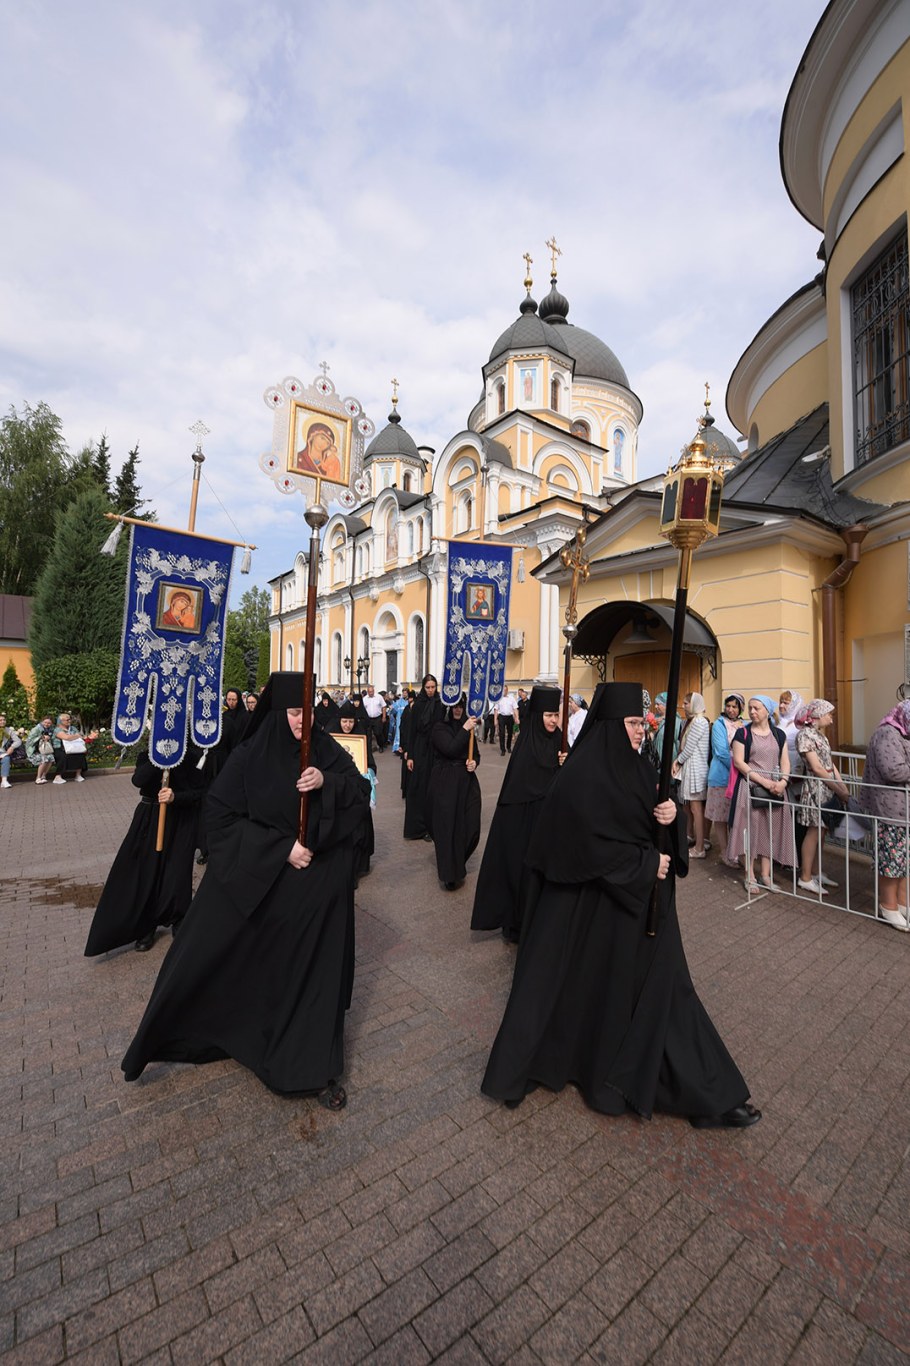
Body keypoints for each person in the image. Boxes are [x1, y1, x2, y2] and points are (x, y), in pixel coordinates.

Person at [481, 682, 760, 1128]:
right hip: (594, 911)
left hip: (639, 911)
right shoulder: (579, 776)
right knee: (580, 994)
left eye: (642, 723)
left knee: (668, 994)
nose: (640, 731)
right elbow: (583, 845)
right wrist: (644, 863)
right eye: (632, 723)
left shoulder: (638, 766)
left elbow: (649, 824)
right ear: (612, 724)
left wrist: (669, 818)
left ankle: (711, 1094)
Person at [121, 672, 371, 1105]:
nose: (304, 720)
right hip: (273, 888)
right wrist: (281, 849)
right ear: (277, 713)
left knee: (315, 981)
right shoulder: (251, 755)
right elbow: (219, 817)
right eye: (294, 712)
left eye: (309, 711)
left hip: (322, 894)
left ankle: (311, 1070)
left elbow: (360, 790)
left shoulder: (326, 749)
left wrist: (327, 782)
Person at [84, 745, 206, 955]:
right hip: (149, 818)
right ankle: (145, 925)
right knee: (146, 871)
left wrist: (176, 797)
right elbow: (138, 780)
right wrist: (160, 760)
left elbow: (201, 792)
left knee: (177, 871)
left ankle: (179, 917)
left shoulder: (193, 756)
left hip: (181, 820)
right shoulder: (147, 755)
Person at [471, 686, 561, 941]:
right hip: (524, 824)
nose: (553, 720)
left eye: (556, 715)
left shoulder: (559, 740)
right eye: (548, 715)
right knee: (522, 876)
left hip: (549, 823)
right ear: (537, 716)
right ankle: (518, 924)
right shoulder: (526, 745)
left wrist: (566, 765)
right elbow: (522, 786)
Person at [727, 695, 795, 892]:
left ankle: (766, 875)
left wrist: (783, 782)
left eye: (756, 708)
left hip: (774, 788)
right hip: (751, 788)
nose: (752, 711)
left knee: (770, 831)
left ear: (767, 711)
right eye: (750, 708)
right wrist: (764, 782)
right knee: (749, 831)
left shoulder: (779, 734)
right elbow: (739, 762)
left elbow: (785, 761)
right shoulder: (743, 733)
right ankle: (750, 875)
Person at [861, 699, 910, 931]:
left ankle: (902, 903)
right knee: (892, 860)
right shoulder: (887, 733)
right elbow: (893, 770)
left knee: (904, 860)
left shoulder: (902, 733)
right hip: (890, 809)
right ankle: (888, 906)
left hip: (902, 810)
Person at [794, 699, 847, 897]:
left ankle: (816, 872)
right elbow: (816, 768)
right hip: (816, 788)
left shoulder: (820, 736)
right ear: (818, 715)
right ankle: (805, 877)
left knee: (821, 832)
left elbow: (829, 763)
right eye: (829, 715)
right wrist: (838, 788)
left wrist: (841, 786)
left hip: (827, 787)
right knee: (814, 831)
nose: (831, 720)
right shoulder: (805, 735)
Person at [428, 695, 481, 890]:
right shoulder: (439, 728)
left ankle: (458, 861)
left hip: (467, 782)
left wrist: (474, 762)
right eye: (455, 706)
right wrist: (465, 729)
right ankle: (450, 873)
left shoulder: (468, 726)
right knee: (449, 828)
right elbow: (450, 749)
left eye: (461, 706)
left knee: (471, 826)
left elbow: (475, 753)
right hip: (446, 782)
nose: (458, 710)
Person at [330, 701, 375, 881]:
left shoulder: (360, 737)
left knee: (359, 831)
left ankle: (356, 868)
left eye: (350, 721)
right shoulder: (330, 738)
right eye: (344, 721)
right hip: (339, 793)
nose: (347, 725)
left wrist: (369, 772)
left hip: (357, 792)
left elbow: (370, 763)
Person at [402, 674, 444, 840]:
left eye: (433, 687)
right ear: (423, 687)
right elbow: (412, 731)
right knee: (418, 787)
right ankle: (418, 827)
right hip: (420, 749)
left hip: (436, 748)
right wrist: (410, 755)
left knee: (434, 787)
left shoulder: (441, 704)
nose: (431, 690)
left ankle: (432, 826)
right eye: (428, 687)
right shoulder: (418, 705)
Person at [705, 693, 745, 863]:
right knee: (721, 817)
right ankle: (724, 852)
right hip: (722, 776)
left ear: (740, 708)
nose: (730, 709)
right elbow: (721, 751)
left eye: (734, 706)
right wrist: (739, 768)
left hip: (740, 778)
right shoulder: (719, 724)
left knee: (737, 817)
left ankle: (735, 851)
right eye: (728, 706)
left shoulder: (745, 725)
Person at [672, 692, 711, 857]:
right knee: (691, 807)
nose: (683, 706)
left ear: (694, 704)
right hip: (692, 768)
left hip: (696, 770)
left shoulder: (699, 722)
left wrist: (677, 761)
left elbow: (689, 748)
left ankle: (699, 848)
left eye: (686, 703)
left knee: (696, 808)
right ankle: (695, 840)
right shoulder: (693, 720)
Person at [52, 712, 94, 784]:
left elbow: (80, 736)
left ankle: (78, 775)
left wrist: (74, 736)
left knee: (81, 755)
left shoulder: (73, 728)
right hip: (60, 748)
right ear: (61, 721)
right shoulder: (57, 729)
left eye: (70, 719)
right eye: (67, 720)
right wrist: (76, 736)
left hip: (73, 746)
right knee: (62, 756)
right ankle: (58, 776)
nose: (69, 721)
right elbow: (66, 737)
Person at [26, 715, 55, 784]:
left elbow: (52, 739)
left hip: (44, 749)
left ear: (51, 724)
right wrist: (41, 737)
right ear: (42, 721)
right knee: (44, 759)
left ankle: (43, 776)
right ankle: (38, 778)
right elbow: (29, 741)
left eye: (49, 723)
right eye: (45, 722)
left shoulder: (51, 729)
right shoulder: (36, 729)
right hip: (33, 750)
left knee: (51, 758)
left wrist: (49, 738)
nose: (46, 724)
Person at [654, 692, 682, 765]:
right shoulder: (654, 719)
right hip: (655, 761)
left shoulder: (676, 721)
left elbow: (678, 744)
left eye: (658, 704)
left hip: (669, 762)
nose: (655, 706)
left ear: (666, 705)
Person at [362, 685, 387, 753]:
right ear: (367, 692)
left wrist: (384, 716)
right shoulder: (364, 699)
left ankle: (380, 745)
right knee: (368, 734)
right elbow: (363, 709)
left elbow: (384, 706)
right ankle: (369, 749)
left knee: (378, 733)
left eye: (372, 691)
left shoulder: (379, 697)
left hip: (377, 718)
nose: (371, 693)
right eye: (369, 692)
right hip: (368, 719)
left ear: (374, 691)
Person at [0, 713, 21, 789]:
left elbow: (18, 741)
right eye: (0, 720)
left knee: (6, 758)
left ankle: (4, 781)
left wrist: (12, 747)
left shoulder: (8, 730)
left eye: (4, 720)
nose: (2, 721)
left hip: (2, 751)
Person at [496, 685, 519, 755]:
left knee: (510, 733)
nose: (504, 691)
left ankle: (508, 747)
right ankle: (503, 749)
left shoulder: (511, 698)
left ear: (507, 690)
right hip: (501, 717)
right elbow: (496, 710)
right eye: (503, 690)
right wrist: (495, 720)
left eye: (505, 690)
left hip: (509, 717)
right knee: (502, 733)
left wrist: (517, 718)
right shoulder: (498, 699)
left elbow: (515, 708)